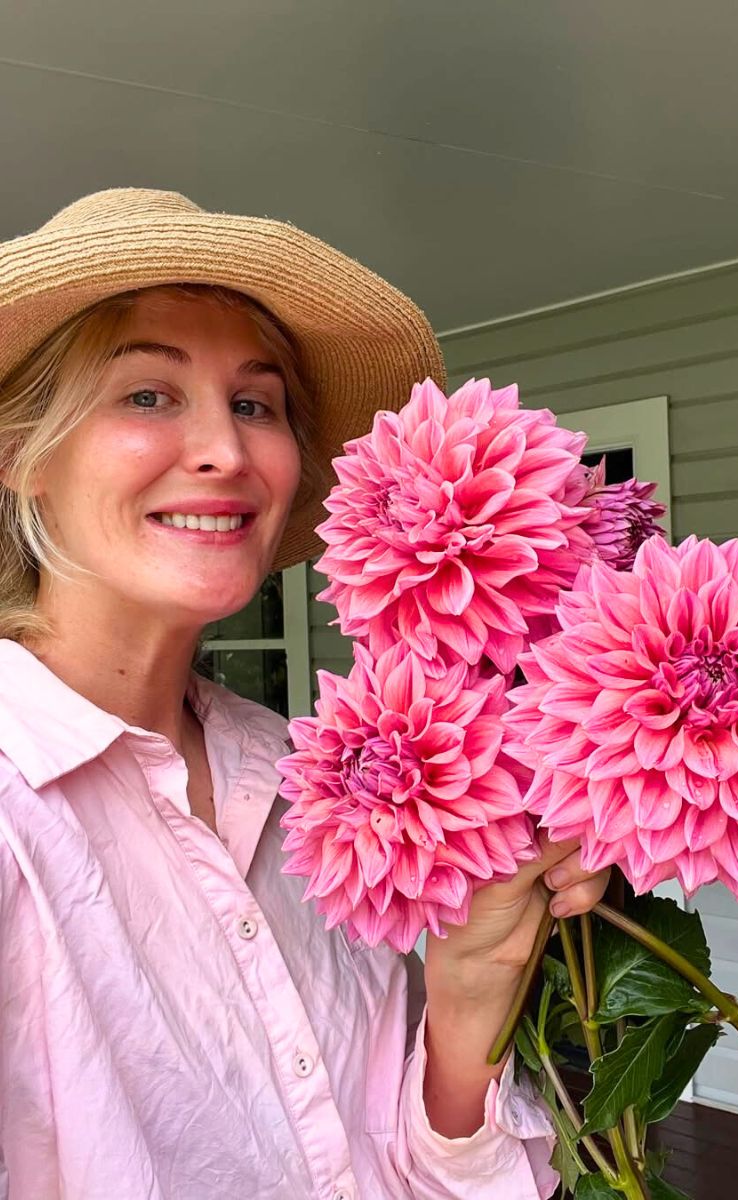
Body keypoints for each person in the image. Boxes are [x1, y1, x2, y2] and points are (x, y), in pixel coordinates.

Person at [0, 189, 608, 1200]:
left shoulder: (309, 775)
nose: (227, 452)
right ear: (22, 457)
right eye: (147, 394)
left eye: (256, 402)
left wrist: (468, 996)